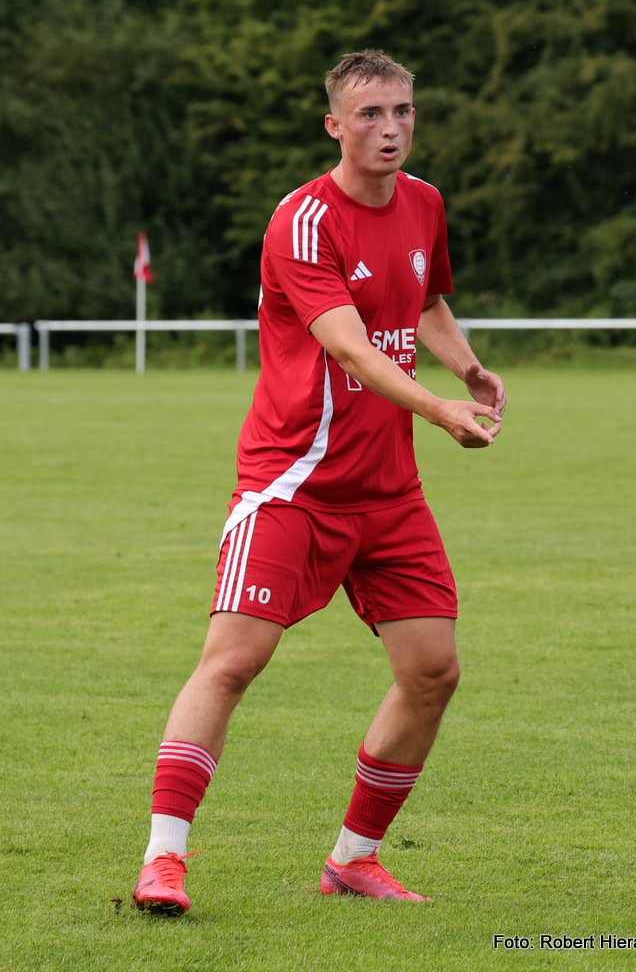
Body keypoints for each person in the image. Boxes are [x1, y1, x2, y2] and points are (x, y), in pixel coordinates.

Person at [132, 49, 506, 915]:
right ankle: (163, 859)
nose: (390, 128)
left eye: (403, 111)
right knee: (232, 663)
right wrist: (438, 409)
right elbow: (349, 345)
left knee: (432, 671)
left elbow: (425, 301)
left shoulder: (423, 203)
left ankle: (353, 860)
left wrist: (466, 366)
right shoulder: (303, 220)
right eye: (370, 114)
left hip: (389, 493)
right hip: (292, 484)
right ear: (334, 125)